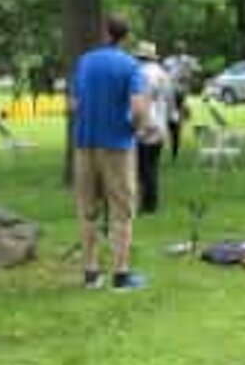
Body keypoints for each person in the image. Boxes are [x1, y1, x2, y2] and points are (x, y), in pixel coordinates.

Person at [71, 16, 151, 291]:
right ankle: (120, 274)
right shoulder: (131, 66)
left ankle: (91, 273)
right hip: (117, 146)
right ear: (124, 37)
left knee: (88, 210)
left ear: (105, 33)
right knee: (121, 211)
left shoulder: (85, 62)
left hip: (84, 144)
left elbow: (73, 103)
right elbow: (139, 107)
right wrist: (135, 128)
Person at [135, 41, 174, 215]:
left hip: (144, 123)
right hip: (160, 123)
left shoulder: (139, 73)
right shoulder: (163, 74)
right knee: (152, 165)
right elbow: (169, 99)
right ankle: (151, 202)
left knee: (141, 167)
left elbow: (139, 99)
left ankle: (144, 202)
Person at [162, 41, 200, 162]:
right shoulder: (168, 61)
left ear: (185, 50)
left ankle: (175, 148)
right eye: (178, 48)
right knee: (170, 120)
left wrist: (189, 74)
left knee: (177, 122)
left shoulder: (189, 60)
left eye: (182, 49)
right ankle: (172, 140)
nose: (180, 50)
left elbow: (197, 71)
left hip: (181, 94)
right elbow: (164, 74)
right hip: (169, 94)